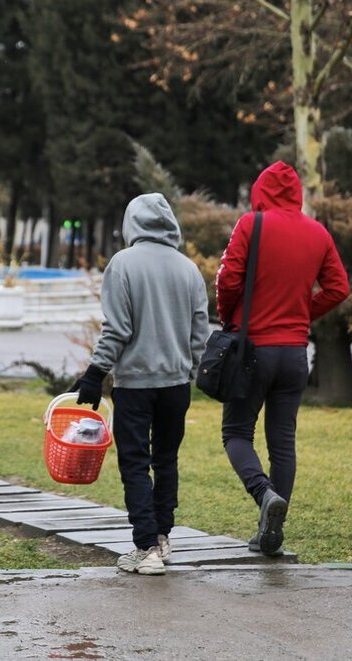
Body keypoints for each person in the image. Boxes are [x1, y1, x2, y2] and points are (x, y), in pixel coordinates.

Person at [215, 161, 350, 556]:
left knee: (236, 433)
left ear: (260, 191)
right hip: (294, 353)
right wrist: (303, 313)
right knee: (283, 442)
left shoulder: (250, 225)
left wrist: (230, 318)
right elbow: (338, 288)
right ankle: (271, 533)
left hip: (253, 348)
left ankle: (264, 496)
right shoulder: (318, 232)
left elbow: (228, 279)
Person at [73, 192, 209, 576]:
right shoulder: (188, 269)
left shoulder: (123, 264)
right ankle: (163, 540)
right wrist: (189, 367)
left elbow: (117, 329)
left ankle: (145, 547)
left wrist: (95, 374)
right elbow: (200, 331)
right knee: (167, 460)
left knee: (135, 462)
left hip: (135, 383)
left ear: (131, 223)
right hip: (176, 384)